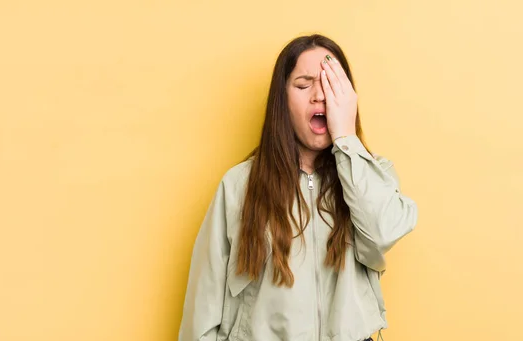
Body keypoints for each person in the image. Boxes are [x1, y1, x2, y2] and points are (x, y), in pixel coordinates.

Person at [178, 34, 418, 341]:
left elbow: (384, 231)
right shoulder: (238, 186)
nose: (320, 95)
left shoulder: (370, 175)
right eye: (304, 85)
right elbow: (203, 309)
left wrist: (345, 138)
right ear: (282, 98)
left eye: (332, 85)